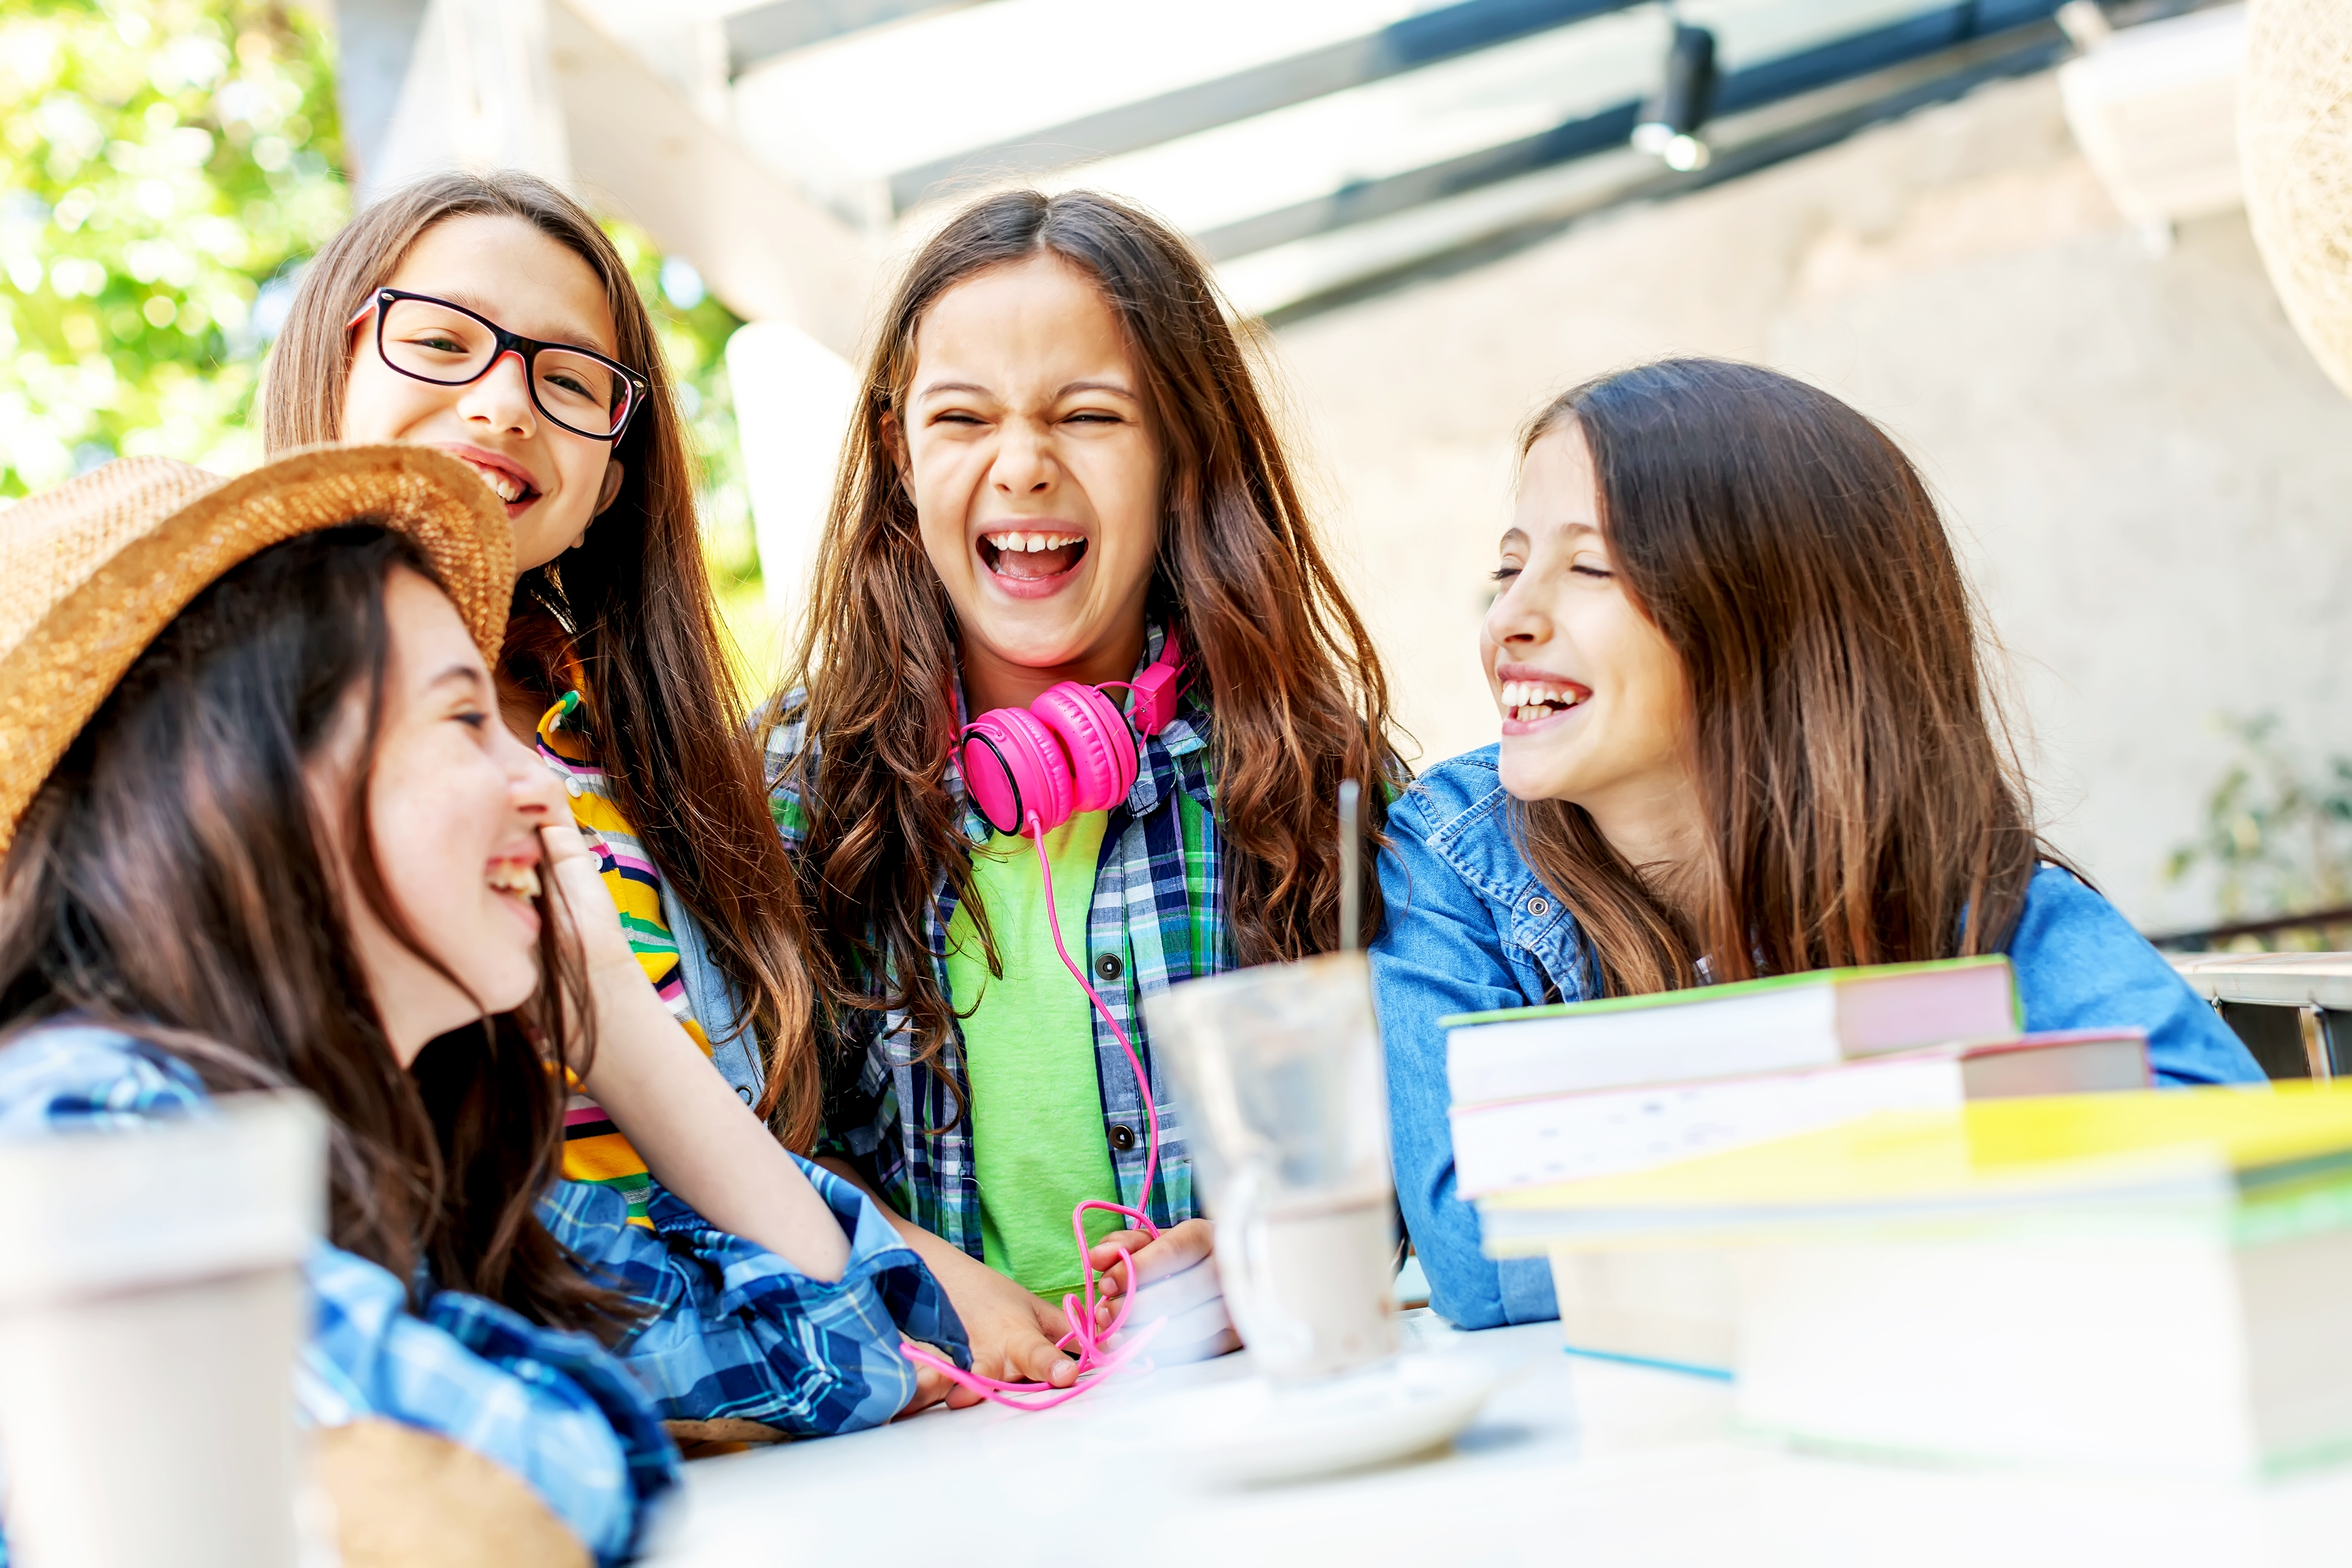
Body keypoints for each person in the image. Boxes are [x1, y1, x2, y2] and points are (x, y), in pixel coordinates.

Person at [0, 448, 964, 1564]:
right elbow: (485, 1500)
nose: (548, 791)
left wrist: (609, 1009)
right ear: (240, 777)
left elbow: (845, 1353)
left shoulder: (392, 1167)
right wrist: (590, 1404)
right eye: (465, 720)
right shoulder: (71, 1128)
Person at [1370, 358, 2265, 1331]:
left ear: (1770, 616)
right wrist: (1920, 1119)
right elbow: (1481, 1252)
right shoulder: (1452, 858)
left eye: (1589, 567)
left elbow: (2218, 1133)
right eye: (1510, 568)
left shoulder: (1941, 880)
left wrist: (1649, 1171)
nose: (1509, 616)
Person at [768, 188, 1400, 1396]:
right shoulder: (793, 800)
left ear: (1180, 456)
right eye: (963, 419)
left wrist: (1280, 1242)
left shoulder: (1308, 779)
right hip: (944, 1455)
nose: (1023, 465)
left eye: (1090, 414)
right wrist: (921, 1272)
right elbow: (736, 1152)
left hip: (1255, 1410)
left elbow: (1409, 1144)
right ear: (901, 459)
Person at [261, 170, 825, 1225]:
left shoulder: (659, 772)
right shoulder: (227, 752)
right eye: (438, 342)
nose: (504, 402)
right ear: (332, 367)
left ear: (609, 485)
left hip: (778, 1351)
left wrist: (913, 1279)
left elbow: (771, 1148)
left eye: (569, 381)